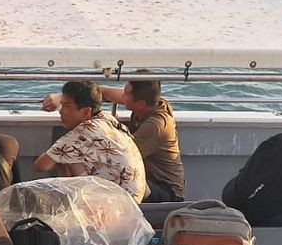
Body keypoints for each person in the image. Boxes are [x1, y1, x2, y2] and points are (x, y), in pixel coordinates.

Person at [46, 76, 185, 202]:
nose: (122, 96)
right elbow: (101, 92)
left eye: (125, 94)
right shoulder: (152, 102)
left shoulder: (155, 127)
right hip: (149, 179)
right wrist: (61, 99)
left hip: (165, 190)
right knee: (73, 157)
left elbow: (123, 157)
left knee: (77, 158)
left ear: (141, 104)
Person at [34, 80, 147, 201]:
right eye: (61, 105)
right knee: (69, 157)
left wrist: (63, 159)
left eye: (66, 106)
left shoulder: (83, 132)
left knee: (70, 160)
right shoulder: (107, 119)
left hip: (117, 206)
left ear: (86, 112)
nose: (61, 111)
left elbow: (41, 165)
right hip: (135, 198)